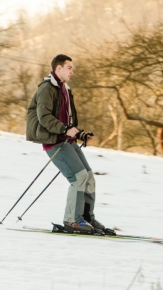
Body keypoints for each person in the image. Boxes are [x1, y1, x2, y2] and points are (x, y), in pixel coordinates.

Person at [26, 54, 105, 234]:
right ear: (58, 68)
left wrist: (80, 134)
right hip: (53, 141)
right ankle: (72, 220)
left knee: (89, 176)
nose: (72, 71)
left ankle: (86, 218)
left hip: (66, 139)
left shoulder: (65, 90)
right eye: (69, 67)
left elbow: (69, 121)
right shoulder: (47, 88)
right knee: (78, 177)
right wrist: (64, 130)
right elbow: (44, 118)